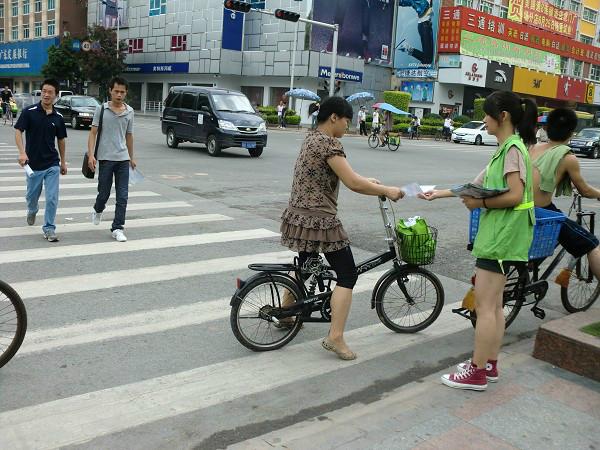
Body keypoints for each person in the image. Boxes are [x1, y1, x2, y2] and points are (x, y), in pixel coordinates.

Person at [420, 91, 538, 390]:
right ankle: (490, 364)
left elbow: (513, 195)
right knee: (495, 307)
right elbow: (476, 185)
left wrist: (480, 206)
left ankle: (476, 372)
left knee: (485, 308)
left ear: (503, 117)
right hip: (505, 237)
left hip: (501, 237)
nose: (483, 120)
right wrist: (441, 193)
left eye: (487, 114)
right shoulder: (508, 148)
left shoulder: (511, 150)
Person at [280, 96, 404, 360]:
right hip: (319, 220)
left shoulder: (311, 138)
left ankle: (285, 313)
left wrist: (367, 181)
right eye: (346, 120)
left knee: (306, 266)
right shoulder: (329, 143)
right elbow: (353, 183)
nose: (348, 126)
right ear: (334, 117)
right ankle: (335, 337)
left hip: (299, 215)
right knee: (347, 275)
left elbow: (346, 175)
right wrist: (386, 190)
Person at [529, 108, 600, 286]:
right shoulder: (567, 157)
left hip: (519, 206)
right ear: (571, 132)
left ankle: (529, 265)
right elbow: (584, 190)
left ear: (546, 128)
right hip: (541, 212)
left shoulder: (532, 148)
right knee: (592, 244)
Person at [14, 79, 68, 242]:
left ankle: (49, 228)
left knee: (52, 198)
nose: (46, 94)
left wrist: (63, 162)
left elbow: (61, 140)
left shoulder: (58, 117)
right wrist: (22, 153)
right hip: (33, 165)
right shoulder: (29, 112)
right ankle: (32, 210)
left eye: (50, 92)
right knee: (31, 197)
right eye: (44, 91)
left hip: (52, 163)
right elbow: (18, 131)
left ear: (56, 95)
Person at [87, 76, 136, 242]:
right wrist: (92, 155)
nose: (119, 94)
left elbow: (129, 136)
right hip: (105, 158)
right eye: (116, 91)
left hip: (123, 159)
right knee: (104, 193)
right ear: (110, 91)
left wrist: (131, 157)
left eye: (122, 92)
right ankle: (98, 209)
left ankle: (117, 228)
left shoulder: (130, 112)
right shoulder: (102, 109)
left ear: (126, 93)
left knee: (123, 196)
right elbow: (93, 133)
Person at [396, 0, 434, 65]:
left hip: (426, 25)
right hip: (424, 25)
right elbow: (405, 2)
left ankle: (406, 48)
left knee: (428, 59)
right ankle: (406, 48)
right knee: (428, 59)